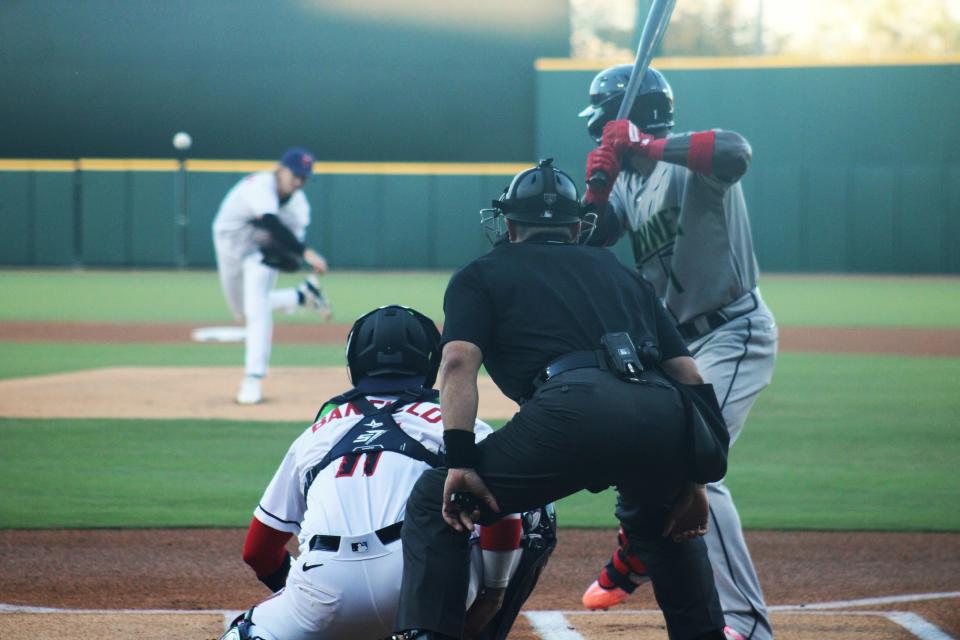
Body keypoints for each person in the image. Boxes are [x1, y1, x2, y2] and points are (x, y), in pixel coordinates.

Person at [394, 159, 729, 640]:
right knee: (667, 520)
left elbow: (456, 366)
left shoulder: (480, 274)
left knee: (435, 501)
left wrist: (461, 462)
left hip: (569, 411)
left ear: (508, 225)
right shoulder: (623, 274)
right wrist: (694, 477)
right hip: (658, 413)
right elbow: (688, 374)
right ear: (577, 227)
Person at [577, 65, 778, 640]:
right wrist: (596, 189)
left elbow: (736, 152)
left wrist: (642, 143)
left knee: (699, 467)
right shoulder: (633, 184)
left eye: (605, 126)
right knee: (636, 441)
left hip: (734, 333)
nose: (599, 134)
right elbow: (589, 237)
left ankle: (746, 624)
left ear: (627, 120)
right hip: (675, 346)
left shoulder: (691, 167)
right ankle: (639, 551)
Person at [220, 305, 553, 640]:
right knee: (534, 508)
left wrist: (313, 597)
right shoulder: (458, 424)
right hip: (419, 588)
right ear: (428, 362)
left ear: (355, 363)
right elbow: (504, 513)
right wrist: (493, 594)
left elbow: (258, 551)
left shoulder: (314, 435)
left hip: (324, 586)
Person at [212, 147, 332, 405]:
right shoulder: (259, 185)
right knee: (242, 313)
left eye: (304, 177)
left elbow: (288, 249)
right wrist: (304, 252)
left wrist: (291, 257)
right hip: (229, 247)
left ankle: (252, 379)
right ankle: (301, 295)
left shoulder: (299, 207)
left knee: (256, 309)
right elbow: (269, 221)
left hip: (259, 255)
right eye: (295, 175)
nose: (298, 182)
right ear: (280, 169)